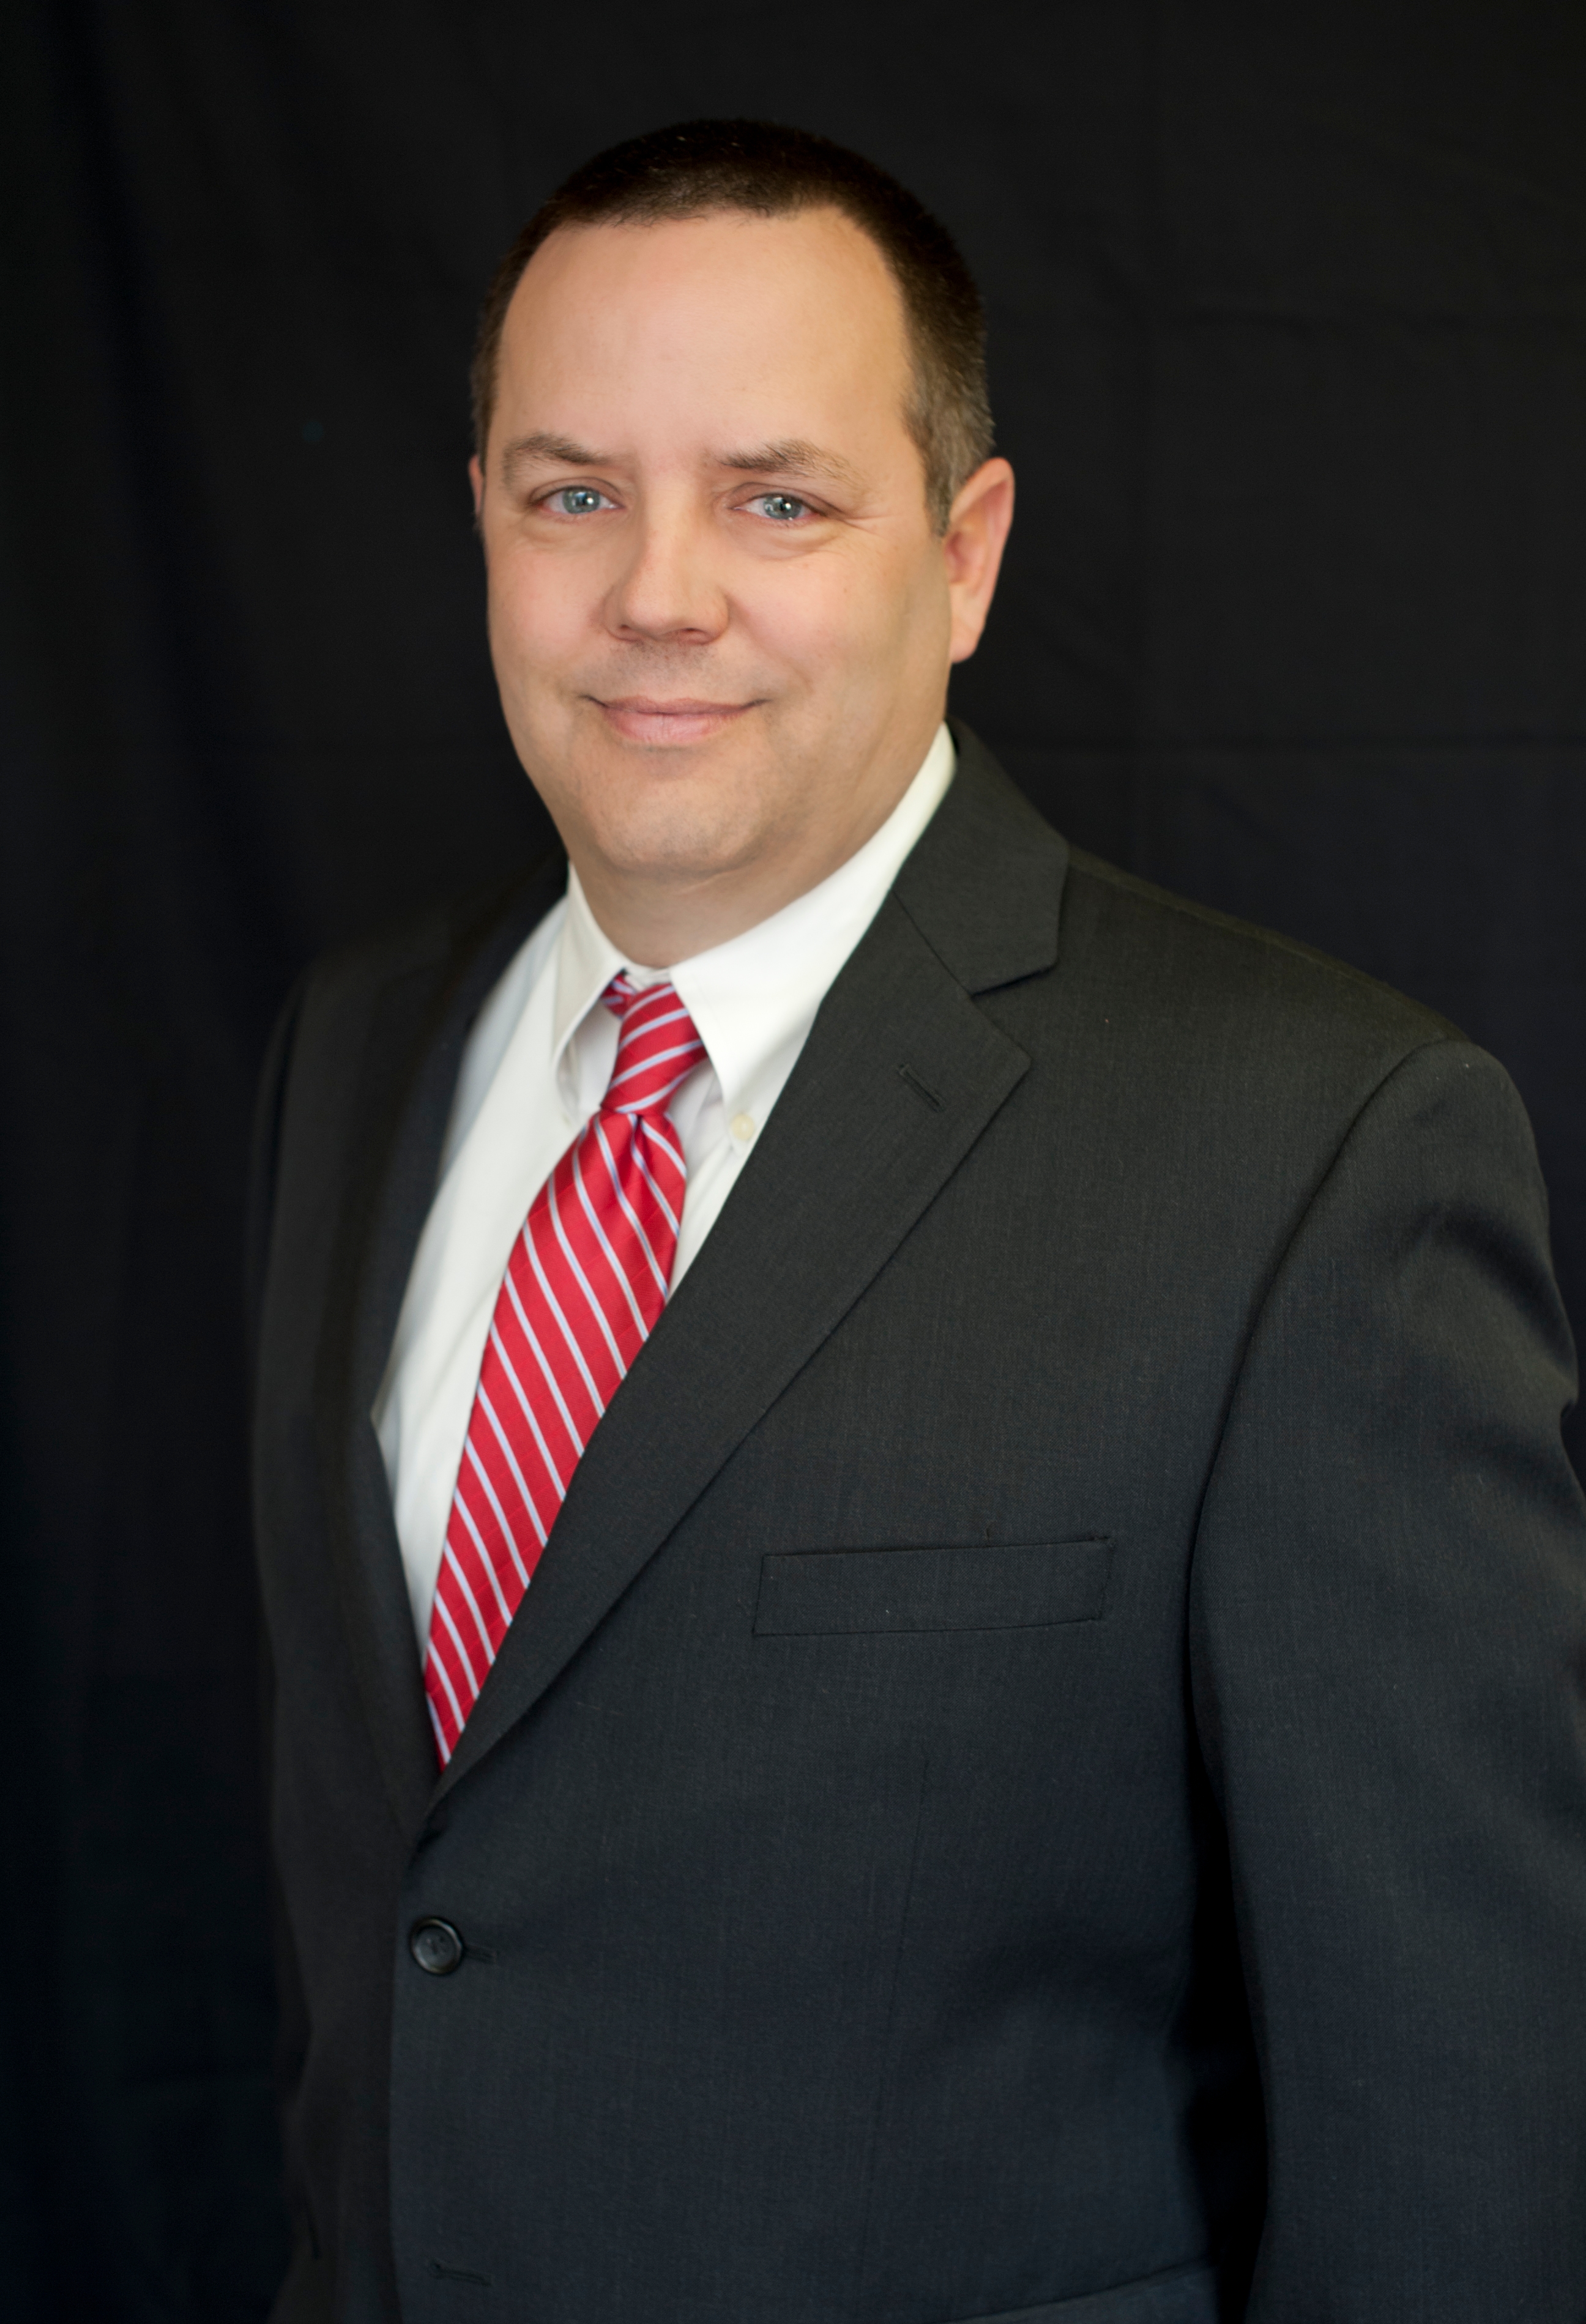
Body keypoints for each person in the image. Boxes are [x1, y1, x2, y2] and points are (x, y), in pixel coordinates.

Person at [248, 119, 1586, 2324]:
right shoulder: (359, 1051)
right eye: (572, 495)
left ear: (964, 561)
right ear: (483, 520)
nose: (657, 592)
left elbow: (1461, 2139)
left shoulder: (1319, 1155)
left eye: (776, 500)